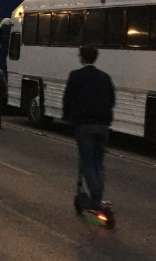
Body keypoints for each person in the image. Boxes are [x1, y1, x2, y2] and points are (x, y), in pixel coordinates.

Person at [63, 45, 116, 210]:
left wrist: (68, 118)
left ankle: (95, 199)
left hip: (84, 125)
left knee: (87, 162)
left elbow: (68, 99)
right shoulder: (105, 77)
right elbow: (112, 100)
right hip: (102, 125)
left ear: (82, 58)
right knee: (98, 162)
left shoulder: (76, 76)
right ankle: (98, 196)